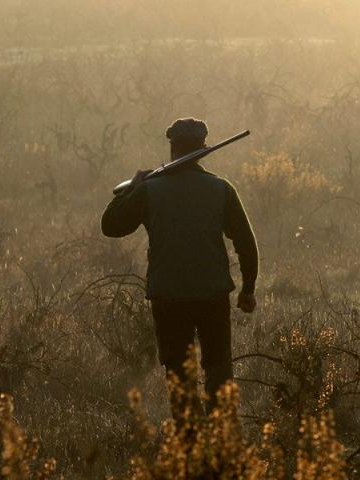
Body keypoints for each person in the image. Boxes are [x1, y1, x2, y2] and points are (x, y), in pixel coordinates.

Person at [100, 117, 258, 410]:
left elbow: (111, 226)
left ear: (172, 148)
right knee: (219, 372)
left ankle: (187, 445)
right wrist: (247, 289)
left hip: (169, 296)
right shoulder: (221, 188)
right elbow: (246, 243)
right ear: (204, 147)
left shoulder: (148, 190)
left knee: (179, 378)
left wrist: (133, 187)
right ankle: (220, 442)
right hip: (212, 294)